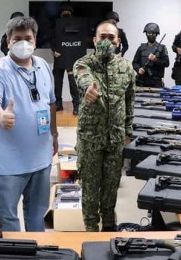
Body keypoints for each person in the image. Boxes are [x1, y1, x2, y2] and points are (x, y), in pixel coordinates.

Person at [0, 16, 58, 232]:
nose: (23, 43)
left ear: (35, 40)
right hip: (10, 162)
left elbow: (51, 102)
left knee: (37, 213)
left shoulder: (43, 66)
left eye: (28, 38)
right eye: (17, 38)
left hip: (41, 158)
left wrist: (55, 134)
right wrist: (0, 116)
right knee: (8, 218)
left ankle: (38, 250)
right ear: (8, 41)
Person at [73, 21, 136, 232]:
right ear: (94, 40)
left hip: (115, 140)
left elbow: (130, 101)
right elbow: (84, 78)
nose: (106, 41)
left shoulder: (126, 68)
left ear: (118, 42)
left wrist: (128, 130)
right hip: (90, 139)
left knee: (111, 190)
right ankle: (91, 232)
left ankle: (109, 229)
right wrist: (89, 89)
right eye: (102, 37)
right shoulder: (83, 63)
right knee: (90, 192)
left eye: (111, 37)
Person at [52, 3, 85, 114]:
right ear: (61, 13)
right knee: (57, 82)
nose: (66, 13)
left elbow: (82, 40)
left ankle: (76, 106)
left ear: (71, 13)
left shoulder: (78, 25)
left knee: (73, 83)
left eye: (68, 12)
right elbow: (51, 39)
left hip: (72, 57)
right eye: (64, 12)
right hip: (59, 57)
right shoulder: (56, 24)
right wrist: (53, 50)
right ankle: (58, 104)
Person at [132, 23, 169, 88]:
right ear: (146, 34)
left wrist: (156, 60)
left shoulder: (162, 48)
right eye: (149, 33)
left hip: (156, 81)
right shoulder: (141, 48)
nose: (151, 35)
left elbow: (166, 63)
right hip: (142, 81)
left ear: (156, 34)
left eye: (153, 33)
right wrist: (138, 69)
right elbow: (134, 62)